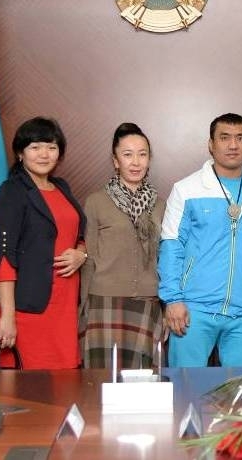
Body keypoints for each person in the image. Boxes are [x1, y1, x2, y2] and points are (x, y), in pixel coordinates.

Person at [158, 113, 242, 367]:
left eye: (240, 138)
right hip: (193, 310)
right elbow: (172, 248)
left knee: (241, 389)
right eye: (225, 138)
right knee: (186, 385)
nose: (233, 145)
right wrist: (172, 299)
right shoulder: (186, 189)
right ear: (211, 144)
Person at [0, 117, 86, 369]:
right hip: (29, 309)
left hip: (65, 305)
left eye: (51, 147)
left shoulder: (62, 187)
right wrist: (8, 316)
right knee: (30, 385)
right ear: (20, 153)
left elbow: (79, 235)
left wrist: (81, 253)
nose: (44, 154)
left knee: (66, 380)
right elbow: (4, 257)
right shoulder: (12, 191)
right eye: (35, 147)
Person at [80, 123, 166, 369]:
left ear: (149, 159)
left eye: (142, 154)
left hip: (148, 301)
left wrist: (167, 306)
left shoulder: (160, 205)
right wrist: (83, 309)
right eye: (128, 154)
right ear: (116, 161)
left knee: (143, 378)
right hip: (104, 300)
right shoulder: (96, 201)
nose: (135, 162)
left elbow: (165, 258)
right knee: (101, 378)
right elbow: (89, 257)